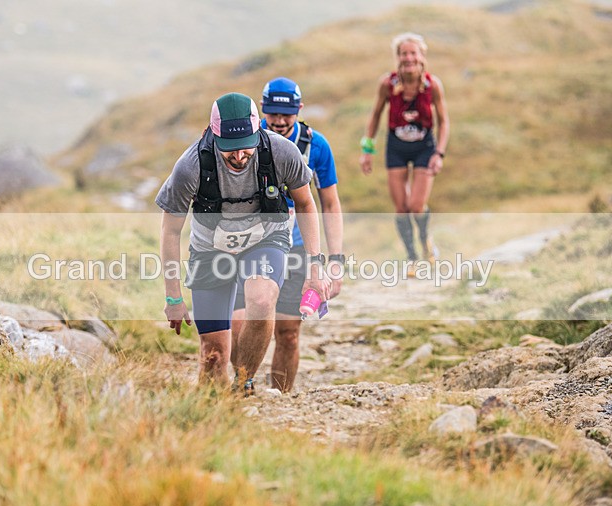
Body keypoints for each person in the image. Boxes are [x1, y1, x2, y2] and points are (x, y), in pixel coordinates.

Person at [155, 92, 330, 392]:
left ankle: (244, 381)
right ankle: (215, 416)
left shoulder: (282, 152)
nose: (238, 156)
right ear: (213, 135)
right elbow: (170, 231)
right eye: (229, 150)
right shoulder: (191, 166)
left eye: (245, 147)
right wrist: (173, 297)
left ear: (258, 132)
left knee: (262, 301)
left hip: (265, 239)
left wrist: (316, 267)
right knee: (214, 355)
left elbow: (306, 204)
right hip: (210, 250)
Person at [231, 77, 344, 393]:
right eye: (272, 114)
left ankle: (278, 398)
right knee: (238, 327)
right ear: (261, 110)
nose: (279, 122)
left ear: (300, 110)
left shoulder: (315, 146)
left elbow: (330, 203)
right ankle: (243, 382)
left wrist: (334, 260)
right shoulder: (244, 143)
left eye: (287, 115)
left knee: (289, 332)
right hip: (247, 245)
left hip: (295, 247)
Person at [359, 32, 449, 270]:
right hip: (396, 148)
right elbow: (375, 116)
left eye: (413, 53)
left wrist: (439, 153)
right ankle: (412, 257)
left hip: (424, 148)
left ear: (421, 57)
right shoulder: (387, 84)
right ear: (397, 58)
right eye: (403, 53)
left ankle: (425, 241)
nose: (408, 57)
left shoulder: (433, 85)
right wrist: (367, 150)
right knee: (401, 207)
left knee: (417, 205)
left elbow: (444, 122)